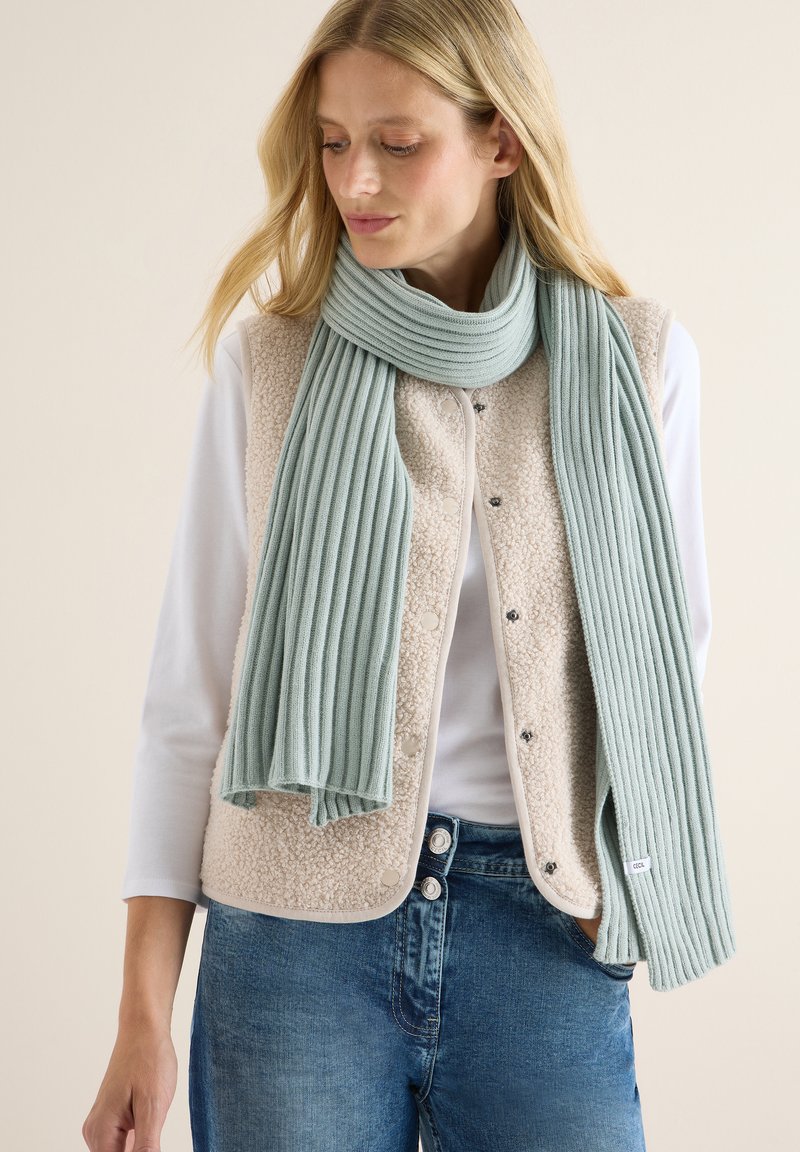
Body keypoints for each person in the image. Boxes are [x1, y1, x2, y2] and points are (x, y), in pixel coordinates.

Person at [82, 1, 736, 1149]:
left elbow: (663, 659)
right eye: (333, 142)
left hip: (540, 930)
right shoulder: (269, 364)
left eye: (397, 141)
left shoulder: (637, 362)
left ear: (501, 140)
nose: (354, 179)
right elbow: (189, 706)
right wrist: (142, 1013)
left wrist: (619, 884)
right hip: (291, 943)